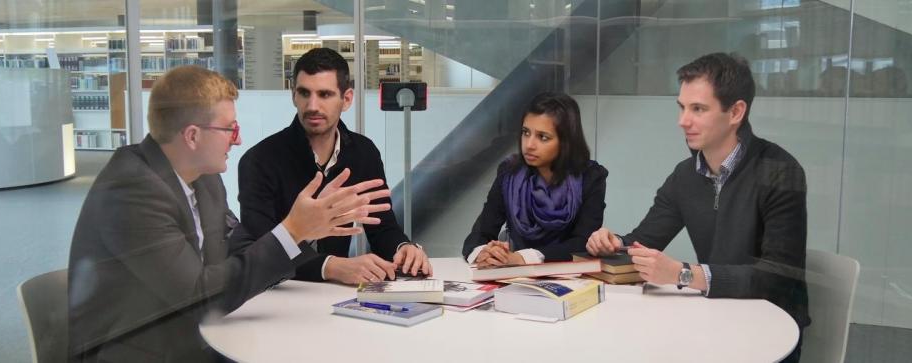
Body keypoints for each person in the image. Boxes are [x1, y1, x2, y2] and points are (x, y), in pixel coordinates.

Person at [68, 65, 391, 362]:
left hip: (199, 335)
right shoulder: (132, 191)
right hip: (141, 351)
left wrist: (304, 229)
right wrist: (293, 230)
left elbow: (239, 246)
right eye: (229, 129)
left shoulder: (204, 177)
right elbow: (198, 299)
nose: (238, 140)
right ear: (193, 136)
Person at [585, 53, 809, 362]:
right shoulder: (685, 175)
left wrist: (683, 274)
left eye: (698, 109)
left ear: (736, 112)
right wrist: (613, 244)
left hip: (772, 332)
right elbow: (645, 240)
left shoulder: (780, 171)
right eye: (682, 107)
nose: (683, 121)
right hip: (716, 318)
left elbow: (778, 278)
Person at [238, 47, 431, 284]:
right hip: (276, 294)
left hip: (334, 296)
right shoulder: (259, 160)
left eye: (325, 94)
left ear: (346, 99)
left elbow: (382, 228)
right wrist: (330, 266)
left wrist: (403, 248)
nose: (312, 106)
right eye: (304, 93)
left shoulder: (363, 153)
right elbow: (259, 249)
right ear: (293, 96)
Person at [462, 92, 608, 266]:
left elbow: (583, 243)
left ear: (565, 141)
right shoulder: (509, 173)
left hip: (570, 279)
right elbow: (480, 235)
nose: (529, 145)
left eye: (543, 137)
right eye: (525, 133)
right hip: (515, 278)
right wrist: (485, 253)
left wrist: (524, 258)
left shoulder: (591, 176)